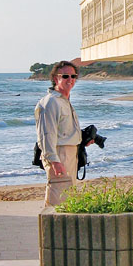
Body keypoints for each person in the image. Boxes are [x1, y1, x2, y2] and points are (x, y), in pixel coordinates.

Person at [34, 60, 82, 207]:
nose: (70, 80)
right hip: (59, 154)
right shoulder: (51, 102)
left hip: (70, 153)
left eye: (73, 76)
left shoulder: (64, 101)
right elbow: (46, 134)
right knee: (57, 198)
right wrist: (55, 161)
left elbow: (63, 130)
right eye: (65, 76)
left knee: (69, 196)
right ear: (56, 78)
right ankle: (53, 229)